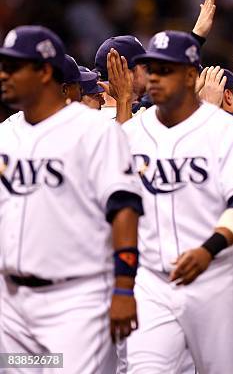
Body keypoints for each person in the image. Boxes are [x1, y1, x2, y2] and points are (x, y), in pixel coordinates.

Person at [122, 30, 233, 373]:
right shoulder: (131, 133)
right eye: (150, 69)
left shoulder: (224, 130)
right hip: (152, 283)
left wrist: (209, 247)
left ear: (191, 75)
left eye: (165, 69)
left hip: (216, 278)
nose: (154, 77)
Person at [0, 25, 142, 373]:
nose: (4, 74)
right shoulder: (5, 134)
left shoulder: (94, 131)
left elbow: (124, 208)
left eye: (15, 66)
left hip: (76, 300)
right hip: (12, 304)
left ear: (45, 72)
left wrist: (124, 287)